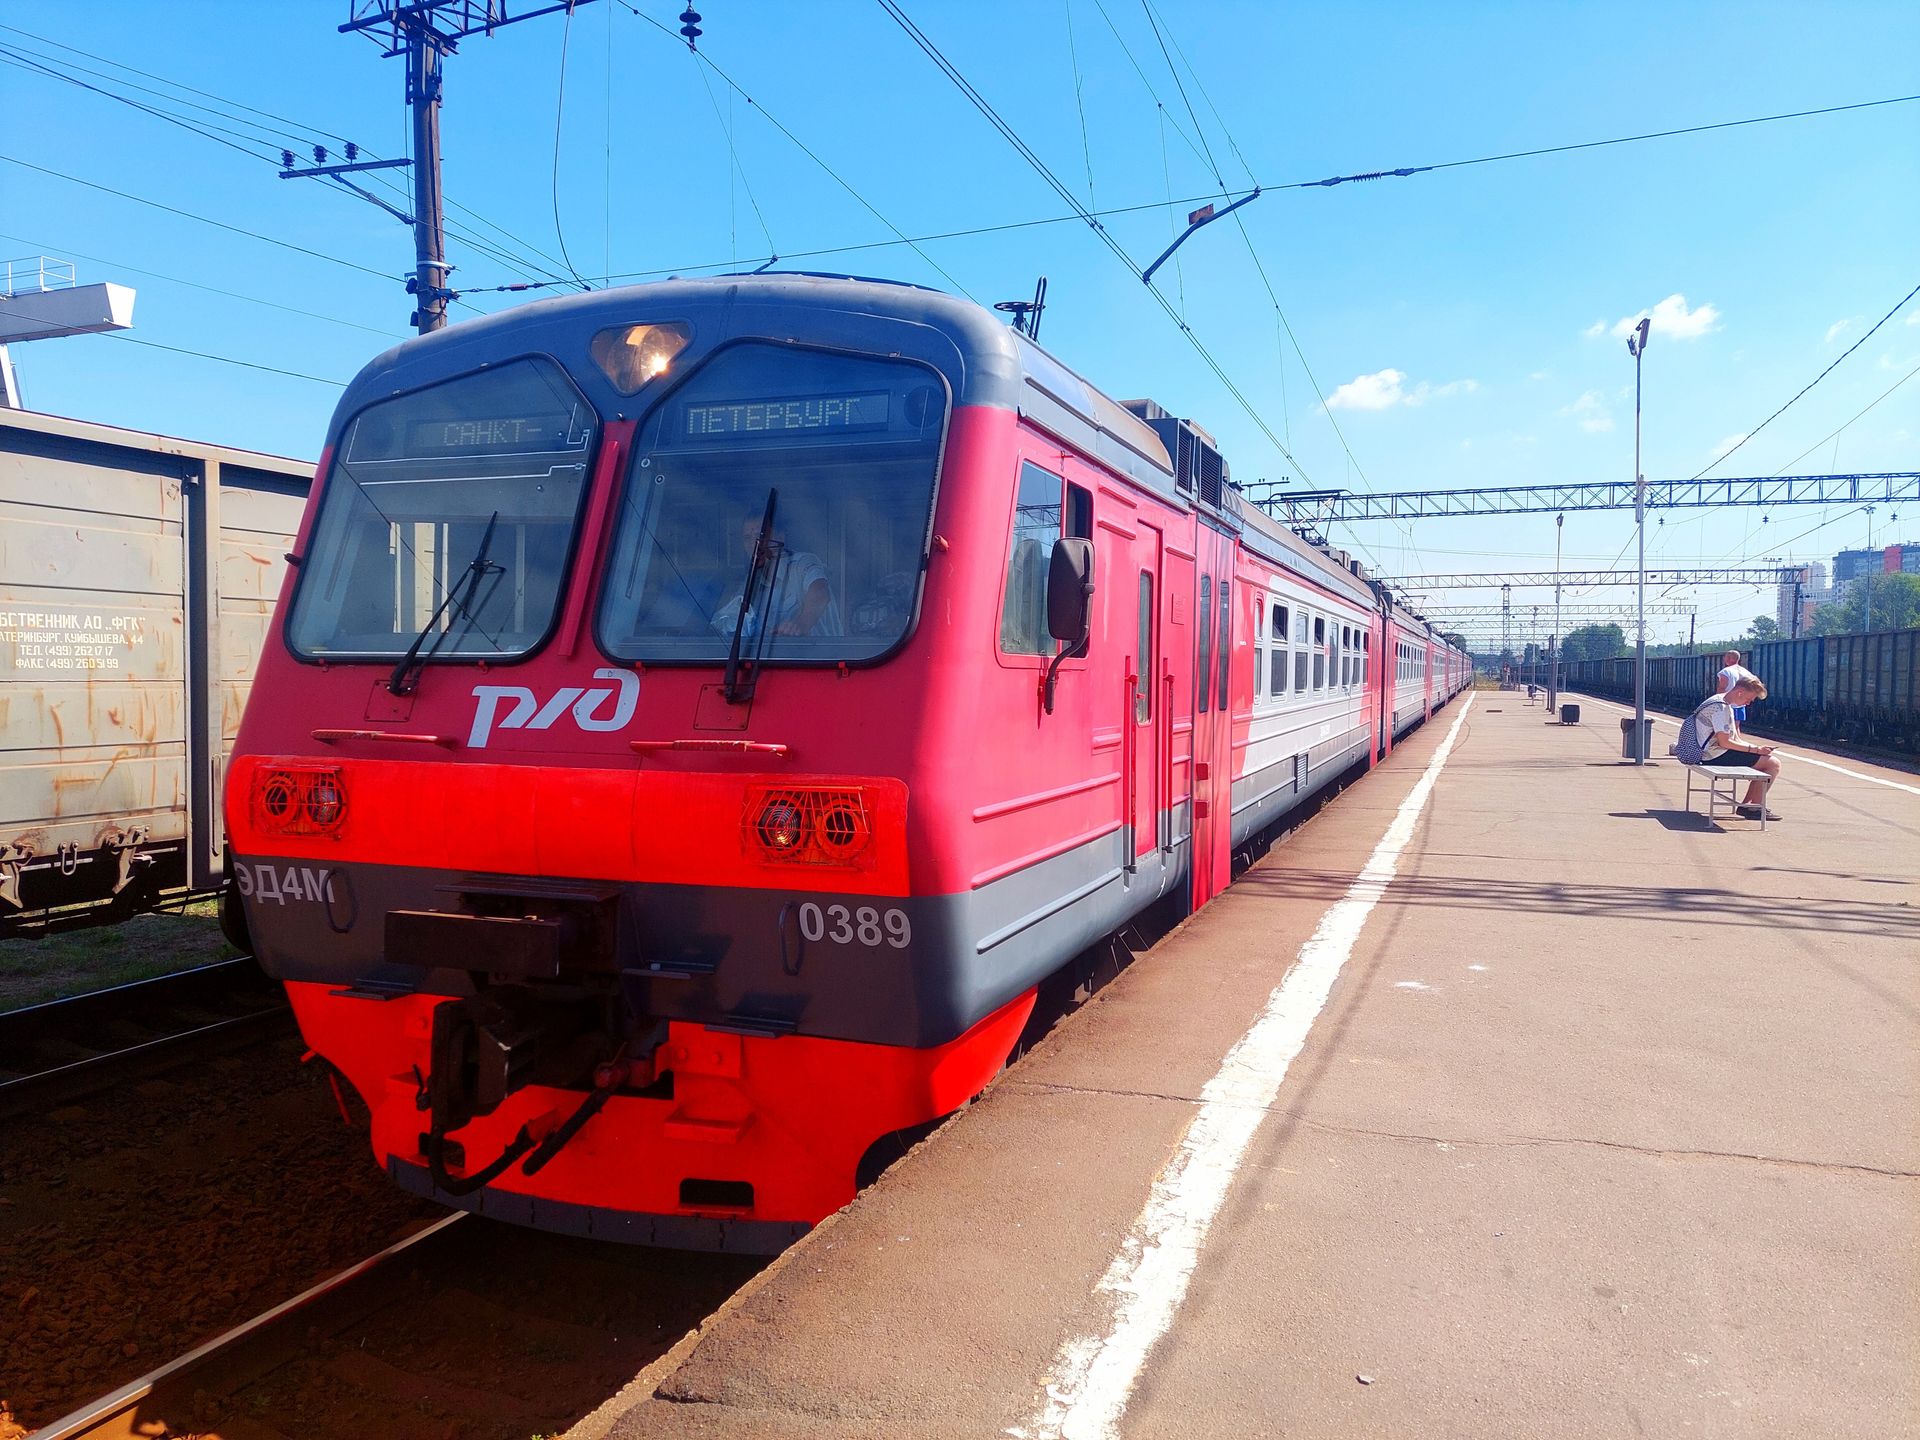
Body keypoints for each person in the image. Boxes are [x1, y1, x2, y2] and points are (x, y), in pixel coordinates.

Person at [717, 517, 842, 638]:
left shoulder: (802, 563)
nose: (753, 545)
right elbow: (732, 620)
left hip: (822, 657)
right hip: (770, 658)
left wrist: (800, 624)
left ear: (780, 537)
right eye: (747, 538)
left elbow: (820, 594)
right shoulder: (750, 583)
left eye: (761, 537)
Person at [1681, 677, 1781, 820]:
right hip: (1711, 755)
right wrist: (1757, 751)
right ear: (1740, 692)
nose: (1749, 703)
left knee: (1765, 761)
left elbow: (1734, 739)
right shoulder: (1721, 708)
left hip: (1709, 751)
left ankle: (1748, 806)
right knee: (1773, 764)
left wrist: (1755, 749)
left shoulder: (1720, 700)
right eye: (1749, 698)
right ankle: (1753, 808)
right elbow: (1725, 742)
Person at [1715, 649, 1760, 723]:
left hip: (1728, 705)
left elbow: (1721, 689)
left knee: (1726, 728)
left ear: (1728, 658)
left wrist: (1718, 704)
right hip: (1741, 704)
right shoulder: (1746, 672)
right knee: (1736, 727)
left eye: (1725, 657)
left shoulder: (1725, 672)